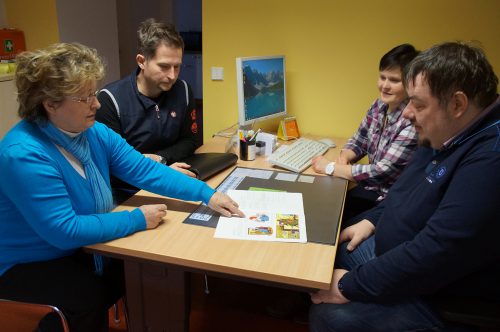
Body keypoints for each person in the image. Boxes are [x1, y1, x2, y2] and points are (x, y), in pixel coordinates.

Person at [0, 42, 243, 332]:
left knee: (144, 272)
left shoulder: (93, 132)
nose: (97, 104)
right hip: (29, 261)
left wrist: (208, 194)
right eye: (85, 97)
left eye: (94, 93)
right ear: (49, 104)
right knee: (88, 297)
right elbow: (64, 231)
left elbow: (146, 170)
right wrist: (137, 219)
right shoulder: (23, 153)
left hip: (77, 247)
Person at [309, 41, 500, 332]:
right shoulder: (444, 130)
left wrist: (349, 286)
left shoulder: (491, 156)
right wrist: (373, 221)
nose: (408, 114)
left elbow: (437, 250)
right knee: (336, 245)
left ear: (458, 104)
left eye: (418, 104)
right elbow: (403, 191)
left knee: (330, 319)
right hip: (398, 252)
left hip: (436, 289)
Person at [312, 44, 419, 222]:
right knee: (321, 208)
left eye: (394, 80)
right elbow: (359, 139)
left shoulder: (413, 121)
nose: (384, 86)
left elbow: (382, 171)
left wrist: (331, 168)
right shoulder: (378, 106)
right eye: (382, 77)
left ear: (411, 84)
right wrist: (345, 156)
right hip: (369, 190)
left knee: (329, 224)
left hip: (388, 203)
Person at [96, 18, 199, 201]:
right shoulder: (109, 100)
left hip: (175, 179)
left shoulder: (183, 90)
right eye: (164, 66)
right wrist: (161, 172)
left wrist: (160, 160)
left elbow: (190, 140)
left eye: (177, 67)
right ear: (141, 61)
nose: (172, 75)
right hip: (130, 194)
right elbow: (113, 165)